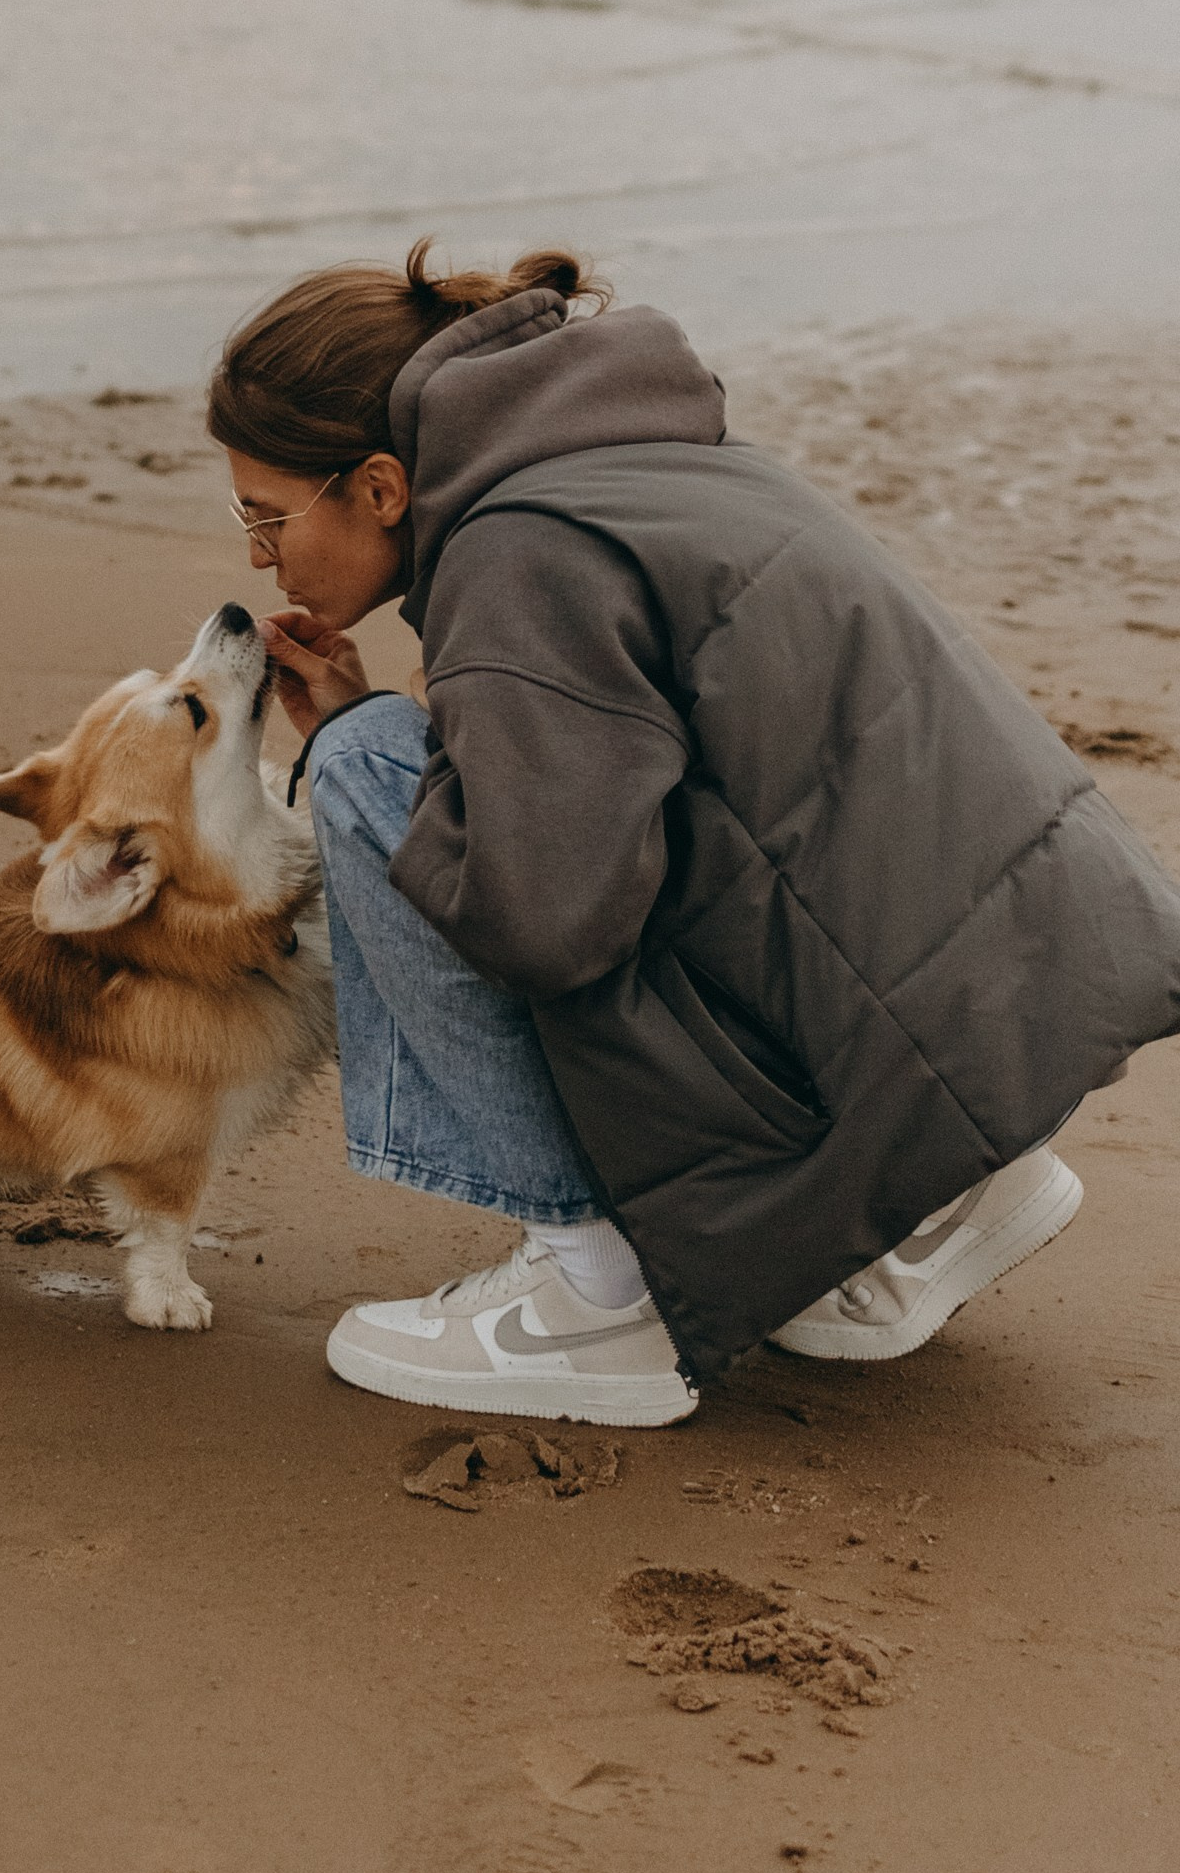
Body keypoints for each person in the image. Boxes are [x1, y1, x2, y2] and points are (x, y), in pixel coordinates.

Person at [207, 238, 1180, 1426]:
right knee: (416, 765)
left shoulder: (519, 555)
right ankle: (946, 1196)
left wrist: (384, 749)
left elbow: (540, 927)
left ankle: (598, 1295)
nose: (257, 555)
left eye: (265, 516)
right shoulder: (637, 455)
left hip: (921, 1040)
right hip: (1010, 1004)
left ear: (377, 487)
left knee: (367, 770)